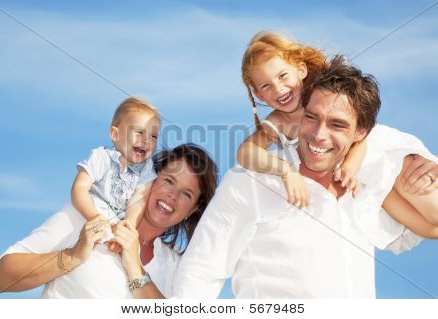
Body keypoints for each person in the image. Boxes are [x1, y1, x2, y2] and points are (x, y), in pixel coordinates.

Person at [172, 56, 437, 298]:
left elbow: (430, 226)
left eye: (337, 124)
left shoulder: (366, 187)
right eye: (312, 117)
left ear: (361, 134)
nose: (319, 134)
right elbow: (200, 271)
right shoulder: (250, 182)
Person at [236, 31, 438, 232]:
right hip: (359, 177)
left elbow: (361, 141)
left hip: (372, 156)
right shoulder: (277, 121)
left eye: (282, 76)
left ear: (301, 70)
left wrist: (349, 167)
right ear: (258, 95)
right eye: (266, 86)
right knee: (427, 230)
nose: (278, 89)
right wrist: (286, 171)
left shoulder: (322, 96)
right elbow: (245, 152)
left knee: (434, 212)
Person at [0, 144, 218, 298]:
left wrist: (135, 268)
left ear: (193, 209)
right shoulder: (90, 214)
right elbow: (2, 278)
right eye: (169, 181)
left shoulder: (177, 267)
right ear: (149, 180)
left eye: (187, 194)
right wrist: (72, 256)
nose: (173, 195)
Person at [72, 97, 160, 250]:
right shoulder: (102, 157)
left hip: (115, 224)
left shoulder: (147, 168)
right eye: (140, 132)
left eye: (153, 136)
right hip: (88, 212)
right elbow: (79, 188)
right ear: (115, 134)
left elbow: (139, 200)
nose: (147, 140)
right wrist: (94, 217)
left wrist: (127, 227)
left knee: (124, 251)